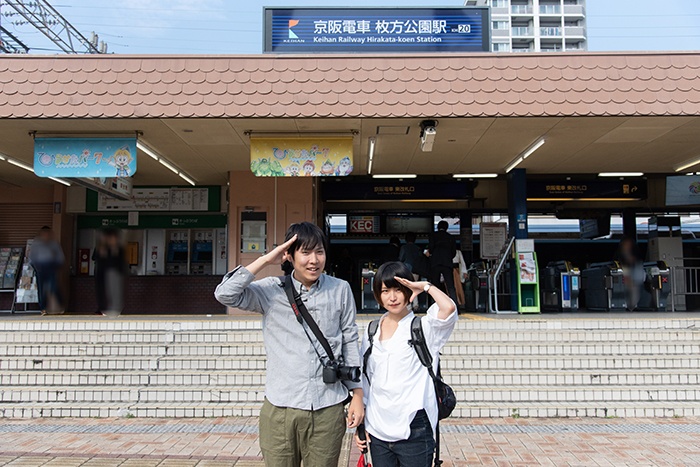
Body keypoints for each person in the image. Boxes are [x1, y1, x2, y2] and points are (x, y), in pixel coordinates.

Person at [214, 222, 364, 467]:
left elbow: (349, 339)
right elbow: (224, 294)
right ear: (290, 255)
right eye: (305, 252)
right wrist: (266, 259)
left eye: (319, 252)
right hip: (280, 408)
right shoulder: (270, 291)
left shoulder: (340, 289)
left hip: (328, 406)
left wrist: (357, 394)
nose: (313, 260)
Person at [355, 261, 457, 466]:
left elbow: (448, 308)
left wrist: (426, 286)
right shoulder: (371, 331)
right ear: (377, 294)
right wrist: (362, 424)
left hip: (415, 427)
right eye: (385, 291)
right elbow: (367, 379)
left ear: (408, 290)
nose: (392, 297)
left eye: (398, 290)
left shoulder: (423, 328)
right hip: (377, 429)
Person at [29, 226, 64, 315]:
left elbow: (60, 256)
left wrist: (57, 266)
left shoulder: (54, 243)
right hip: (40, 267)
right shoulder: (36, 243)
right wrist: (35, 267)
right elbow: (32, 257)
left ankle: (60, 305)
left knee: (54, 287)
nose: (46, 235)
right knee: (41, 289)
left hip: (51, 266)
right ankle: (43, 308)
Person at [92, 227, 127, 317]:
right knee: (104, 290)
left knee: (115, 291)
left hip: (115, 272)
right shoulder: (103, 248)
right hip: (104, 273)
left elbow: (121, 262)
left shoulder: (118, 249)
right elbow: (96, 258)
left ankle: (115, 309)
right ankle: (104, 308)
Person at [426, 220, 458, 305]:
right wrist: (447, 257)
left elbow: (431, 249)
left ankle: (435, 305)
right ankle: (455, 307)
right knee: (450, 286)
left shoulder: (433, 236)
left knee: (435, 286)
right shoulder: (451, 237)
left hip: (435, 263)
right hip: (447, 263)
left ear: (437, 227)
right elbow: (453, 252)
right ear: (447, 228)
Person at [615, 237, 644, 310]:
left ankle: (632, 306)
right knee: (626, 289)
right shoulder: (621, 254)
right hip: (625, 273)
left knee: (634, 289)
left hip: (633, 274)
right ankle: (627, 305)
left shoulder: (635, 255)